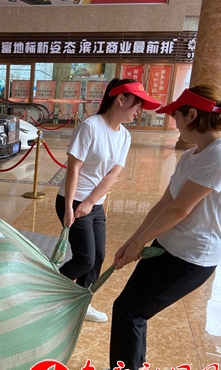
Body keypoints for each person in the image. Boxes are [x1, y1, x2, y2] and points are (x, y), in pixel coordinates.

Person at [93, 85, 221, 370]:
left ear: (193, 115)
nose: (173, 121)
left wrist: (138, 246)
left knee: (131, 310)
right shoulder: (192, 155)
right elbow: (164, 204)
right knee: (130, 308)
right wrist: (132, 242)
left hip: (192, 257)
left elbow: (180, 210)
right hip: (166, 246)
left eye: (176, 115)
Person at [55, 79, 160, 322]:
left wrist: (91, 201)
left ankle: (82, 302)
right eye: (137, 103)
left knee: (98, 257)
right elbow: (73, 169)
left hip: (93, 204)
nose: (140, 110)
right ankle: (47, 288)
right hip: (73, 200)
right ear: (120, 99)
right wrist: (71, 207)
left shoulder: (125, 135)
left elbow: (113, 173)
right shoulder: (90, 127)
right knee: (84, 259)